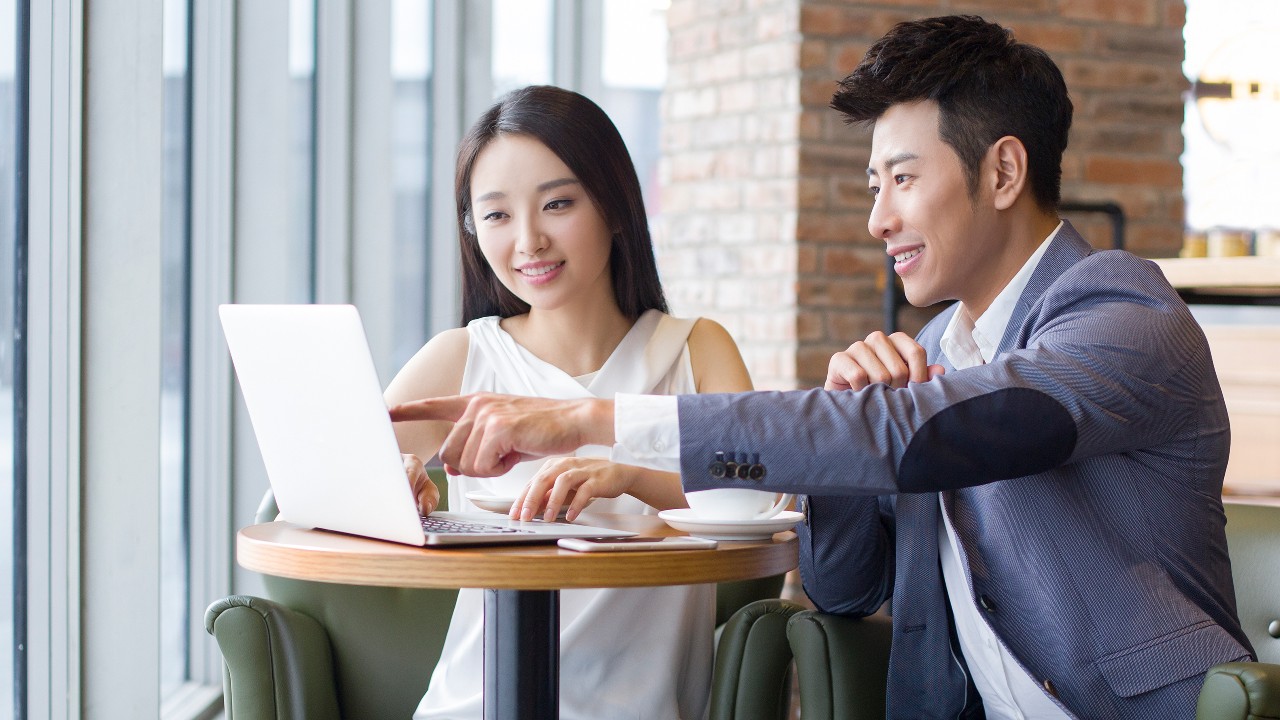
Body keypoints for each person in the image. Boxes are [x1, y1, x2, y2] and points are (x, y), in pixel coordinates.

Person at [389, 16, 1255, 719]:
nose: (879, 219)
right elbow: (846, 586)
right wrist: (846, 431)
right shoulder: (934, 353)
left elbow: (947, 431)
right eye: (873, 186)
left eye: (902, 180)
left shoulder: (1124, 313)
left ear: (1002, 171)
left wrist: (595, 419)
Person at [384, 85, 752, 720]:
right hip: (475, 704)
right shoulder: (463, 357)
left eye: (557, 204)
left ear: (613, 206)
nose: (528, 241)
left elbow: (769, 496)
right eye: (496, 215)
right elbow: (322, 488)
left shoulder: (696, 350)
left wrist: (629, 477)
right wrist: (396, 486)